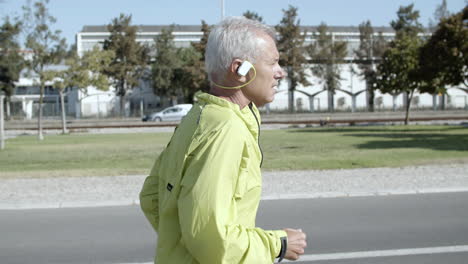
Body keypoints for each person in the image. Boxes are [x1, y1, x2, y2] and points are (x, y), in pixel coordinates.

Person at [140, 16, 307, 264]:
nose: (280, 73)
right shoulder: (226, 129)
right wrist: (278, 244)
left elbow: (152, 196)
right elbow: (210, 235)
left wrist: (178, 242)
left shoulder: (198, 117)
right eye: (273, 63)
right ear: (240, 70)